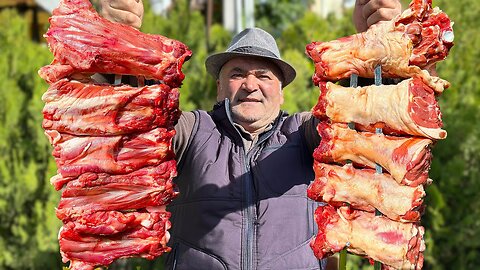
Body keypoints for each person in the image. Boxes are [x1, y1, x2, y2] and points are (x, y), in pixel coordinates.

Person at [93, 0, 402, 269]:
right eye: (237, 74)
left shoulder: (303, 134)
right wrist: (116, 41)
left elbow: (357, 125)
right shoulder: (193, 131)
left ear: (281, 93)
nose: (250, 85)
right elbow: (133, 123)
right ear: (219, 87)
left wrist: (376, 46)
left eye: (264, 76)